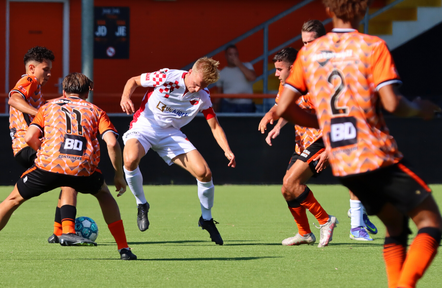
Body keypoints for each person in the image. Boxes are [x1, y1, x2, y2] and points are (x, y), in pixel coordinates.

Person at [264, 0, 442, 288]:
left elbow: (284, 108)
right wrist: (420, 108)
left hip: (343, 161)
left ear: (329, 7)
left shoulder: (310, 54)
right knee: (430, 221)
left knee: (395, 226)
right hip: (374, 153)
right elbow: (392, 103)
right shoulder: (371, 46)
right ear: (363, 5)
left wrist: (321, 121)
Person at [0, 73, 136, 260]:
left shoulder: (47, 108)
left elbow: (29, 137)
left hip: (49, 166)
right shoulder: (96, 111)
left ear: (63, 91)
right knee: (104, 195)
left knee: (12, 201)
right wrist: (118, 175)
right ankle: (124, 249)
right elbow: (111, 143)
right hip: (82, 168)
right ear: (88, 92)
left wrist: (44, 152)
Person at [120, 57, 236, 245]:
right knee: (130, 159)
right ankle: (141, 203)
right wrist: (125, 97)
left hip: (171, 135)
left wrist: (227, 150)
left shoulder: (203, 95)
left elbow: (214, 126)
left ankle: (206, 219)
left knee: (204, 173)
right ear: (191, 71)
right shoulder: (166, 77)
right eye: (196, 84)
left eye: (203, 86)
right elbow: (133, 81)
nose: (197, 89)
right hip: (144, 127)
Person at [302, 20, 378, 241]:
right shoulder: (304, 65)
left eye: (312, 42)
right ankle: (308, 230)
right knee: (291, 183)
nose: (307, 47)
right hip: (316, 133)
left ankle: (356, 223)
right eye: (304, 42)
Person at [260, 47, 337, 247]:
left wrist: (329, 150)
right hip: (302, 142)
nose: (276, 74)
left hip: (322, 139)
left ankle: (325, 220)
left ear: (292, 68)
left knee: (293, 183)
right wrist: (274, 121)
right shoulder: (286, 85)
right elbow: (283, 106)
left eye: (279, 69)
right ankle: (304, 233)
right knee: (287, 189)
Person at [8, 46, 76, 244]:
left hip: (26, 147)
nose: (49, 73)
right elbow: (13, 99)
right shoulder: (28, 81)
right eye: (45, 69)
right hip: (27, 145)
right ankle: (68, 232)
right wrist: (39, 116)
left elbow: (46, 108)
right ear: (31, 68)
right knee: (70, 174)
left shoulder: (36, 90)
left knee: (66, 178)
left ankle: (59, 232)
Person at [215, 44, 257, 113]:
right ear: (226, 56)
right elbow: (218, 95)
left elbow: (252, 78)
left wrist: (239, 64)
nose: (233, 57)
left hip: (246, 105)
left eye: (235, 54)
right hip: (228, 105)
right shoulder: (222, 73)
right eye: (230, 54)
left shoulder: (248, 65)